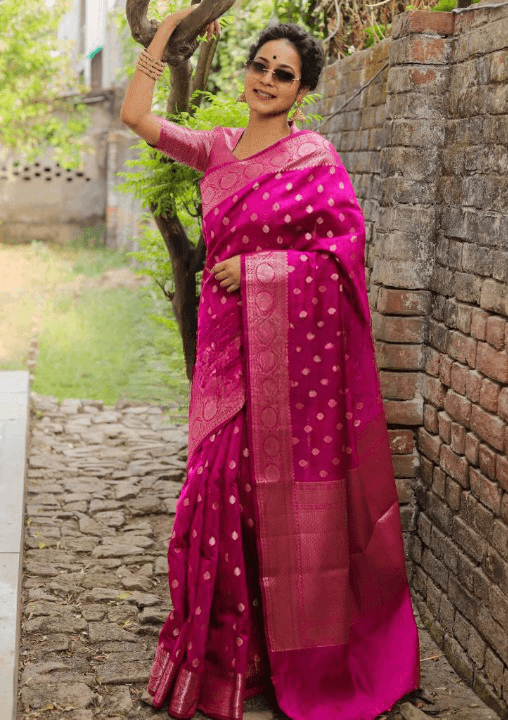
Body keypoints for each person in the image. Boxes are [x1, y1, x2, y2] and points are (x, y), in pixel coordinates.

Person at [121, 8, 420, 720]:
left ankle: (272, 661)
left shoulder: (315, 159)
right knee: (211, 496)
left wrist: (260, 269)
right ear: (247, 69)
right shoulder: (218, 149)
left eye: (284, 76)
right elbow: (135, 113)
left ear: (301, 92)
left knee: (269, 504)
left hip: (293, 363)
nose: (267, 80)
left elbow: (341, 256)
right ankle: (221, 658)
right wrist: (165, 33)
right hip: (227, 354)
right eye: (261, 66)